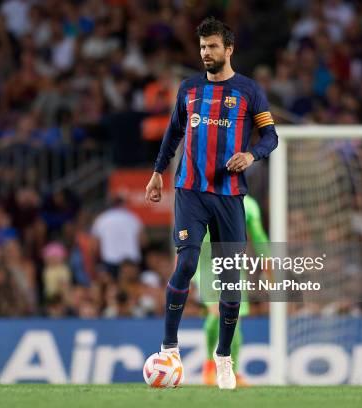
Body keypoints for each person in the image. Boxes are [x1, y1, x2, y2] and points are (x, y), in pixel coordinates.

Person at [145, 16, 278, 389]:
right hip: (190, 191)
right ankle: (169, 348)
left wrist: (251, 156)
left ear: (229, 49)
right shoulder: (188, 90)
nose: (206, 52)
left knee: (231, 283)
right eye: (203, 47)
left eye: (213, 46)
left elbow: (271, 136)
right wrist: (157, 172)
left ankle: (223, 358)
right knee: (186, 261)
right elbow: (173, 133)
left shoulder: (249, 92)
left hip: (230, 195)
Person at [194, 194, 270, 386]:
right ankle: (210, 364)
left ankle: (231, 372)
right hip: (205, 265)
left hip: (233, 266)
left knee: (234, 319)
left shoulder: (249, 204)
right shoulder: (203, 196)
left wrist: (269, 265)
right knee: (216, 313)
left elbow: (259, 237)